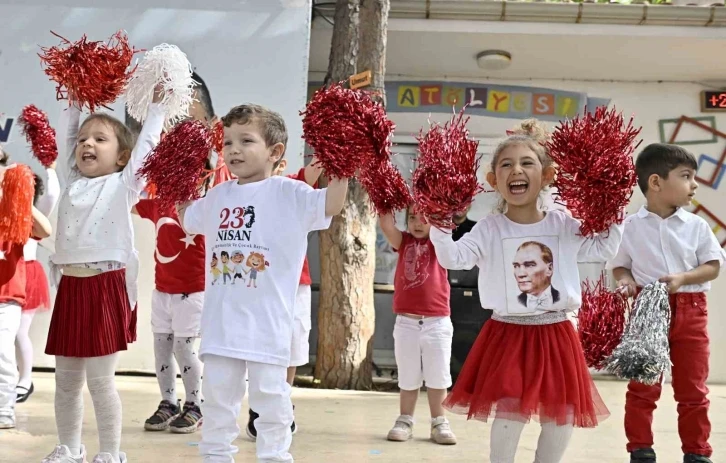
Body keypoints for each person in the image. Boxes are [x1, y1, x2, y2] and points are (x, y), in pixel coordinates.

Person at [429, 119, 622, 463]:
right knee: (508, 414)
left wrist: (612, 203)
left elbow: (602, 248)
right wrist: (440, 221)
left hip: (557, 332)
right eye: (506, 164)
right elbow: (453, 257)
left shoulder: (562, 223)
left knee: (560, 417)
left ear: (547, 176)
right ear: (493, 181)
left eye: (527, 162)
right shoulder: (490, 227)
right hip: (507, 333)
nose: (516, 170)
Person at [178, 104, 348, 463]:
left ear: (275, 152)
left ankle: (274, 457)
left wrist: (343, 160)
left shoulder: (291, 193)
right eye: (227, 142)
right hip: (221, 327)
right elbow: (187, 218)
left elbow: (332, 202)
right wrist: (176, 173)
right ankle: (215, 456)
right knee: (218, 402)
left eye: (246, 140)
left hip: (268, 328)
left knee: (271, 404)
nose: (233, 149)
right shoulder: (217, 197)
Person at [41, 85, 167, 463]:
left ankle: (111, 452)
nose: (86, 144)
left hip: (105, 287)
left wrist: (158, 105)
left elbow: (146, 147)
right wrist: (75, 99)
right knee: (65, 382)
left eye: (99, 139)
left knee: (99, 382)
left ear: (122, 157)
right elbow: (68, 132)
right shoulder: (73, 180)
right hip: (72, 288)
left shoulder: (124, 183)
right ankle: (69, 447)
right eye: (82, 139)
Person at [609, 143, 725, 463]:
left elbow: (713, 265)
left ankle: (697, 452)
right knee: (643, 387)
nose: (694, 184)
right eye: (686, 176)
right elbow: (621, 265)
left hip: (692, 310)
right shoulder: (629, 227)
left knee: (693, 390)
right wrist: (626, 281)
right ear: (656, 182)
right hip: (649, 312)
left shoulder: (696, 226)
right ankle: (641, 449)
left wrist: (683, 279)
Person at [131, 72, 217, 435]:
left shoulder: (207, 197)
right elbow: (131, 200)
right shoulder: (159, 198)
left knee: (185, 348)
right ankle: (168, 401)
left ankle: (196, 404)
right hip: (163, 290)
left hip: (193, 291)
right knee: (162, 348)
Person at [245, 156, 324, 440]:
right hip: (261, 282)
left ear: (281, 161)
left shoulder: (292, 187)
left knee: (291, 344)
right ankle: (258, 404)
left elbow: (314, 170)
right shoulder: (245, 192)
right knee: (259, 344)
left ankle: (281, 401)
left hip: (295, 284)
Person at [378, 206, 457, 446]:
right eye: (412, 217)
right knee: (408, 375)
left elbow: (447, 218)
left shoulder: (440, 243)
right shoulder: (404, 242)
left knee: (438, 376)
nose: (418, 223)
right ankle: (405, 420)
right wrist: (384, 200)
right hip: (406, 323)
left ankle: (439, 422)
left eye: (425, 218)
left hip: (437, 322)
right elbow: (386, 225)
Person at [0, 163, 53, 429]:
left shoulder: (14, 211)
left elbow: (45, 231)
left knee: (2, 352)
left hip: (6, 298)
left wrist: (23, 199)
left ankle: (4, 410)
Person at [15, 165, 60, 404]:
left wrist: (49, 166)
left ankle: (25, 380)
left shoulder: (32, 214)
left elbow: (52, 194)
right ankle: (11, 377)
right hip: (6, 277)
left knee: (19, 332)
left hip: (27, 276)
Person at [512, 241, 560, 310]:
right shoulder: (514, 302)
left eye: (529, 265)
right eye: (516, 266)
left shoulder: (563, 298)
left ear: (549, 269)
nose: (520, 274)